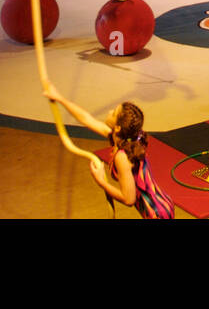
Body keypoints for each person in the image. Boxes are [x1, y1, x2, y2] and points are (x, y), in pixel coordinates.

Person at [43, 83, 175, 219]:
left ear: (118, 127)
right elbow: (86, 118)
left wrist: (101, 182)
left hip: (156, 214)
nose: (110, 111)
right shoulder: (123, 138)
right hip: (162, 205)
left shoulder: (122, 157)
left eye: (114, 112)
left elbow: (129, 199)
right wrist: (59, 97)